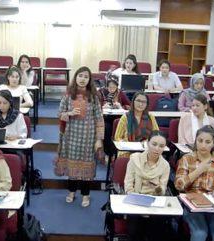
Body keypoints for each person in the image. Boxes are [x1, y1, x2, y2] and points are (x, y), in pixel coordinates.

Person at [175, 125, 214, 241]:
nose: (203, 145)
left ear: (213, 143)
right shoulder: (187, 159)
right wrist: (199, 170)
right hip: (193, 205)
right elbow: (179, 185)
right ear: (196, 141)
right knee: (200, 233)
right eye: (200, 141)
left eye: (207, 142)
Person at [55, 66, 104, 207]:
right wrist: (69, 113)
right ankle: (71, 192)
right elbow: (60, 115)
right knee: (72, 167)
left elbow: (99, 119)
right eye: (80, 76)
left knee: (87, 169)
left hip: (89, 138)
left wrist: (99, 139)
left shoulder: (94, 97)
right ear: (75, 77)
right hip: (71, 137)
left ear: (89, 80)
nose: (82, 79)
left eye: (86, 77)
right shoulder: (68, 95)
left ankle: (85, 195)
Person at [125, 131, 171, 241]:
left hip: (154, 202)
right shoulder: (134, 159)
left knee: (156, 232)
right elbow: (128, 184)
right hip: (135, 199)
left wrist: (157, 188)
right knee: (134, 231)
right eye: (154, 144)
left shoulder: (165, 165)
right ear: (147, 143)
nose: (157, 149)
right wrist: (134, 198)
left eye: (161, 146)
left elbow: (162, 191)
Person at [114, 92, 159, 157]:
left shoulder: (151, 117)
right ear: (133, 102)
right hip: (128, 150)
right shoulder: (125, 117)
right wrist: (126, 144)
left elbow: (156, 134)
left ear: (147, 104)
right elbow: (117, 137)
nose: (141, 104)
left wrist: (148, 141)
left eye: (144, 102)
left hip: (146, 149)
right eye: (138, 101)